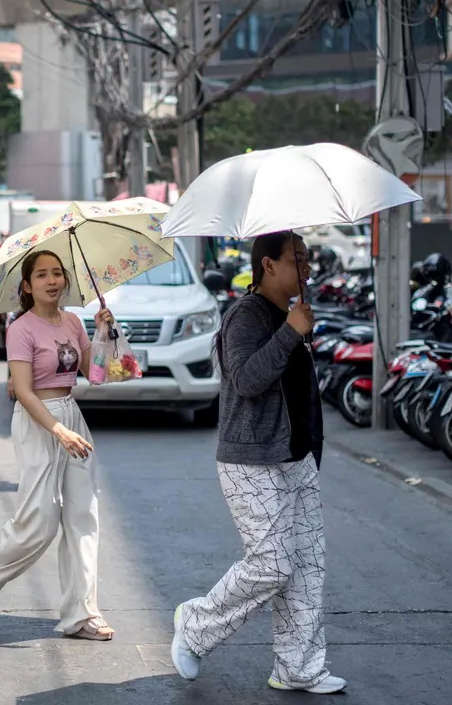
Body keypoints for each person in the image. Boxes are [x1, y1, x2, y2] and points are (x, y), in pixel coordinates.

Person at [170, 231, 346, 694]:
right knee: (272, 564)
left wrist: (295, 328)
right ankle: (195, 625)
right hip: (252, 460)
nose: (306, 268)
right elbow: (247, 380)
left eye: (307, 259)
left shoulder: (292, 312)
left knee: (307, 566)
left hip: (296, 457)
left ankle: (298, 667)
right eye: (297, 259)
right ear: (269, 265)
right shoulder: (245, 316)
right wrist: (291, 332)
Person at [0, 249, 116, 641]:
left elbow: (95, 373)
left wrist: (102, 332)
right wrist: (56, 431)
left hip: (72, 415)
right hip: (38, 422)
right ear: (27, 286)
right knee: (40, 522)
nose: (52, 281)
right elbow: (24, 392)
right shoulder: (22, 329)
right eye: (43, 275)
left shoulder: (73, 322)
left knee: (84, 517)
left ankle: (82, 614)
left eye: (58, 273)